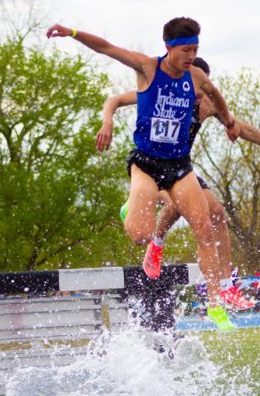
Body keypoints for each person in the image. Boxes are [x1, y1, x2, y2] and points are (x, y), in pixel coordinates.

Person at [47, 17, 243, 331]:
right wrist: (72, 33)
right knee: (140, 235)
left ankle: (216, 307)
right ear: (169, 47)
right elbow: (107, 48)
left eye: (195, 49)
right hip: (146, 164)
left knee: (205, 226)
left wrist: (229, 119)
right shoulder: (147, 68)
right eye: (186, 50)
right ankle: (131, 209)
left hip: (179, 166)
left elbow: (214, 92)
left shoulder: (195, 77)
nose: (191, 56)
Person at [96, 57, 260, 310]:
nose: (196, 95)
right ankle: (153, 238)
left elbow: (244, 129)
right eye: (193, 88)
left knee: (217, 213)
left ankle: (227, 286)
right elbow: (116, 100)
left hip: (180, 168)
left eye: (201, 89)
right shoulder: (163, 91)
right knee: (175, 204)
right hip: (151, 165)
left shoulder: (207, 103)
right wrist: (107, 120)